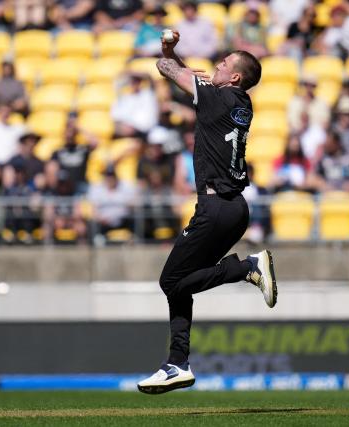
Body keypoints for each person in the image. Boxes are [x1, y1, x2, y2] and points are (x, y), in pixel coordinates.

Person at [137, 31, 276, 394]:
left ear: (234, 77)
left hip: (215, 210)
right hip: (233, 210)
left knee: (170, 282)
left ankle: (247, 268)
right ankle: (176, 364)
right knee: (182, 284)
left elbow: (166, 68)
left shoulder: (216, 96)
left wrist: (167, 54)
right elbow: (189, 74)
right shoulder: (235, 99)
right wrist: (180, 58)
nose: (217, 64)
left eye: (224, 63)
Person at [111, 72, 159, 138]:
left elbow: (150, 80)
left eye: (137, 81)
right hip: (131, 135)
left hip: (149, 133)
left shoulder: (148, 94)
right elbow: (116, 119)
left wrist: (135, 73)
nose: (134, 84)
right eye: (132, 81)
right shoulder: (123, 98)